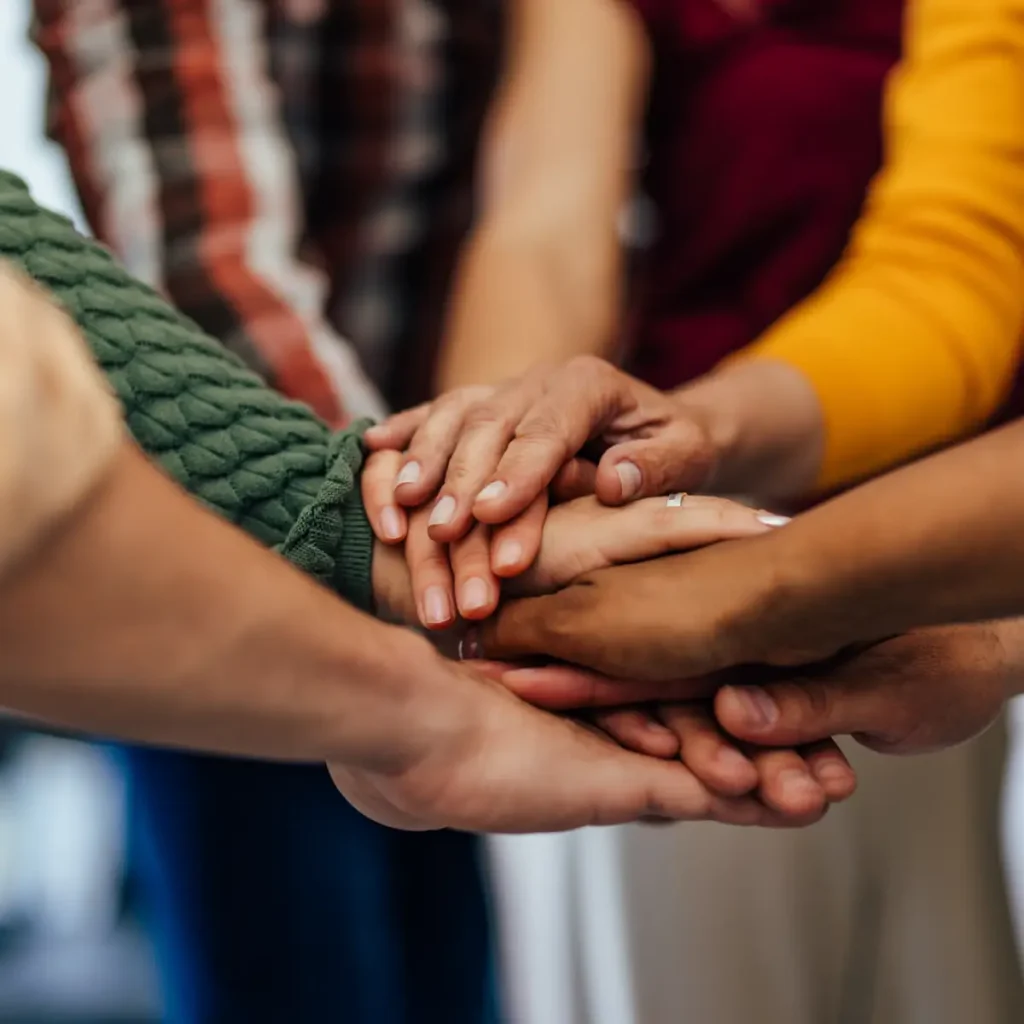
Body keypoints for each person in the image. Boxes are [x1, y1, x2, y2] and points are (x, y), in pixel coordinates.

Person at [364, 0, 1024, 1017]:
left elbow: (958, 265)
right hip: (699, 523)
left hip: (941, 549)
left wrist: (764, 589)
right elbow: (951, 267)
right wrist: (499, 484)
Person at [29, 2, 504, 1019]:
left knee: (444, 971)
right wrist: (427, 539)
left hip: (440, 569)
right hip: (242, 557)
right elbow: (203, 272)